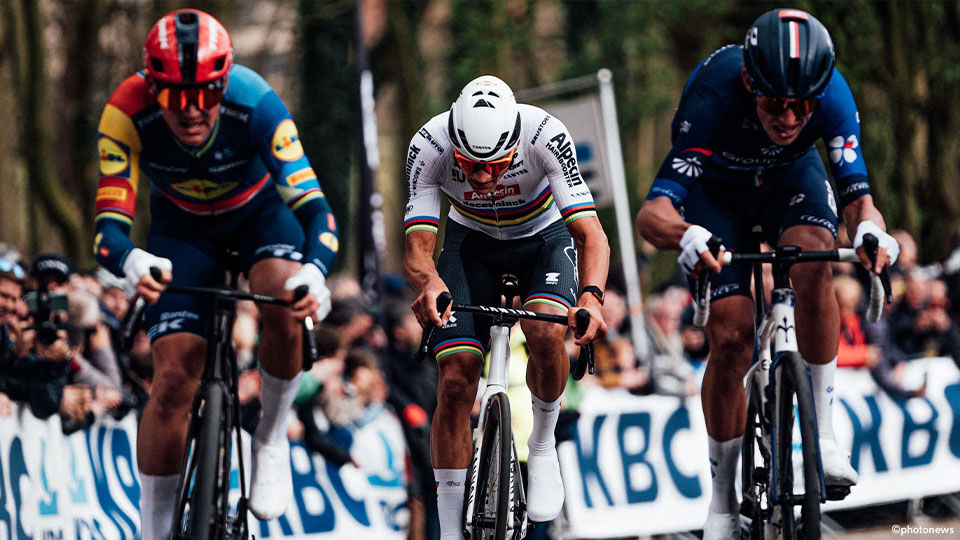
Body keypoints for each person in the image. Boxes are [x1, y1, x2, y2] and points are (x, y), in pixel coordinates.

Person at [634, 9, 899, 538]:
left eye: (801, 106)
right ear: (751, 85)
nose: (788, 117)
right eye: (775, 104)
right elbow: (653, 213)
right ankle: (722, 503)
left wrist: (871, 232)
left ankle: (823, 438)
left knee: (816, 261)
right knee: (730, 336)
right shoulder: (714, 94)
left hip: (788, 181)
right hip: (715, 195)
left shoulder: (834, 97)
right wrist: (685, 235)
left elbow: (858, 201)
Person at [91, 9, 338, 537]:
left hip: (260, 217)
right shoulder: (124, 113)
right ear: (152, 87)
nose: (192, 111)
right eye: (176, 97)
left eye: (206, 94)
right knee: (174, 376)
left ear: (223, 84)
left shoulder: (257, 102)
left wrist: (314, 273)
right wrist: (132, 261)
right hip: (182, 230)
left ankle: (270, 435)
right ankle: (155, 527)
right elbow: (108, 228)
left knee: (282, 300)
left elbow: (316, 211)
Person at [403, 75, 609, 539]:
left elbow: (590, 234)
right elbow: (418, 245)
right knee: (455, 379)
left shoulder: (545, 135)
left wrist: (592, 298)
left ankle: (541, 444)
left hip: (543, 240)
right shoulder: (429, 143)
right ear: (452, 143)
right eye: (467, 165)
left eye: (492, 167)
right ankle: (452, 526)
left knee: (545, 332)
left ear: (514, 145)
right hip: (469, 245)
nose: (479, 177)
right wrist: (430, 280)